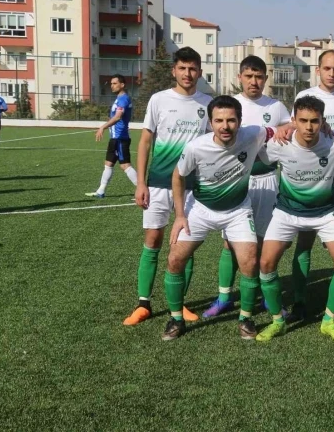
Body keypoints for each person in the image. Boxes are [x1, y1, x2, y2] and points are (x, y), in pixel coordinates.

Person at [161, 95, 277, 341]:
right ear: (210, 123)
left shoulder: (253, 134)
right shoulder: (196, 147)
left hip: (237, 211)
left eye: (231, 120)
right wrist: (180, 215)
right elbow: (178, 176)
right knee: (175, 259)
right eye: (219, 120)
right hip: (200, 209)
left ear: (240, 121)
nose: (225, 126)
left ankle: (246, 318)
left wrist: (294, 127)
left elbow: (278, 130)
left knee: (250, 261)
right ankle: (176, 318)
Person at [253, 95, 334, 342]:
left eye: (314, 121)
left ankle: (328, 321)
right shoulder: (280, 144)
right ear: (294, 120)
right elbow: (261, 158)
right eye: (303, 121)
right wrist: (278, 131)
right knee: (266, 263)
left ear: (323, 121)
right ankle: (278, 321)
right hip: (287, 212)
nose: (309, 127)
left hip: (325, 212)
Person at [122, 47, 213, 326]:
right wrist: (141, 183)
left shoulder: (208, 103)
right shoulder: (159, 100)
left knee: (186, 244)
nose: (188, 73)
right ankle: (143, 304)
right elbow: (145, 142)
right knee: (153, 240)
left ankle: (180, 302)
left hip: (192, 187)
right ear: (174, 70)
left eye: (192, 68)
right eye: (182, 68)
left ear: (199, 72)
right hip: (159, 183)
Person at [202, 55, 291, 318]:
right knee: (230, 243)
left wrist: (286, 128)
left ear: (266, 78)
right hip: (235, 182)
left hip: (267, 181)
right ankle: (224, 297)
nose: (254, 81)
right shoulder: (230, 105)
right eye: (249, 76)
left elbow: (290, 127)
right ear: (239, 77)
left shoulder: (276, 107)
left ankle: (265, 296)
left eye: (259, 76)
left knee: (264, 242)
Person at [286, 50, 334, 323]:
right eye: (327, 68)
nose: (332, 73)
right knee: (304, 242)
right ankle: (299, 300)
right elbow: (292, 127)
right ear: (318, 70)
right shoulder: (304, 96)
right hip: (312, 180)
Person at [85, 74, 138, 198]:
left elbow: (118, 117)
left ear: (122, 85)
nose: (112, 86)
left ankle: (144, 190)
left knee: (125, 165)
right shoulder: (119, 98)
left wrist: (103, 127)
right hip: (115, 138)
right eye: (111, 83)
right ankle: (101, 191)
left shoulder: (123, 99)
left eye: (114, 83)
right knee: (108, 164)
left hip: (120, 138)